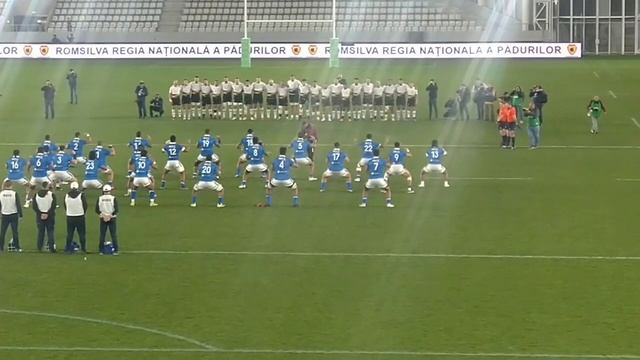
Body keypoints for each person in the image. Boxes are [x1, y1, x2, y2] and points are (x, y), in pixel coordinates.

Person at [32, 182, 57, 252]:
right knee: (50, 232)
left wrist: (40, 213)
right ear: (47, 186)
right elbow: (53, 206)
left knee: (40, 232)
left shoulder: (36, 195)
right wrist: (47, 213)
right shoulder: (51, 195)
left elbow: (34, 207)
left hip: (39, 217)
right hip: (50, 216)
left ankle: (39, 247)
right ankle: (52, 248)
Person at [64, 181, 87, 253]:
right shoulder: (81, 195)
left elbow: (65, 205)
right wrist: (83, 212)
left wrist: (69, 212)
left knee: (70, 233)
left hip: (70, 216)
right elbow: (85, 205)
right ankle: (83, 248)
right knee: (82, 233)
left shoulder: (66, 195)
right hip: (80, 216)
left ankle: (67, 248)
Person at [95, 184, 119, 255]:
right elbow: (116, 210)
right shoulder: (113, 198)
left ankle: (101, 250)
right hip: (112, 218)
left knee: (102, 234)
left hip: (103, 218)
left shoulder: (100, 198)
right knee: (113, 235)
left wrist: (104, 215)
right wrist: (109, 216)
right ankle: (116, 250)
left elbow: (97, 210)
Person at [0, 180, 23, 252]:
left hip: (4, 214)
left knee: (3, 232)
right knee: (15, 232)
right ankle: (17, 247)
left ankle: (1, 247)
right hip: (13, 214)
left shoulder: (1, 194)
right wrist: (21, 215)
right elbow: (18, 205)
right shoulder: (14, 193)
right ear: (11, 185)